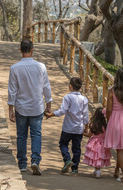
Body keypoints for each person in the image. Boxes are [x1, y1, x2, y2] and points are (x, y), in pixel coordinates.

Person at [8, 39, 52, 175]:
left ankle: (22, 164)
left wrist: (10, 109)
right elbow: (46, 88)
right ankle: (35, 161)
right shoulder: (41, 67)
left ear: (20, 50)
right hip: (37, 106)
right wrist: (48, 105)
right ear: (32, 50)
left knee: (21, 136)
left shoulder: (14, 68)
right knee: (36, 134)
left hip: (21, 107)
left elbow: (12, 90)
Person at [46, 77, 89, 174]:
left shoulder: (68, 97)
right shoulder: (84, 99)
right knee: (76, 148)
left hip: (68, 128)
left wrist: (51, 114)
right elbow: (85, 115)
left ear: (70, 86)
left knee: (63, 144)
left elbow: (62, 111)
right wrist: (86, 127)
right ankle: (75, 167)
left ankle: (67, 159)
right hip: (78, 128)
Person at [82, 107, 111, 179]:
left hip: (94, 143)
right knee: (100, 156)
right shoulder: (106, 126)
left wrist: (82, 133)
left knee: (96, 156)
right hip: (103, 143)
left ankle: (97, 171)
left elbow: (89, 135)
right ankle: (97, 171)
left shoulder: (93, 125)